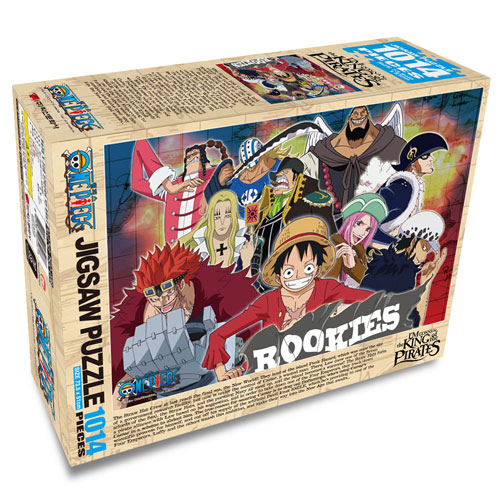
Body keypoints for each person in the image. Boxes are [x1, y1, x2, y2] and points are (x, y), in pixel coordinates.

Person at [201, 217, 373, 381]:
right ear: (278, 275)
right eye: (289, 271)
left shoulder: (326, 288)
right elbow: (218, 336)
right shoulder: (268, 302)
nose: (298, 276)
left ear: (318, 269)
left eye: (308, 268)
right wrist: (223, 372)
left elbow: (371, 300)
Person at [181, 190, 256, 270]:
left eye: (227, 216)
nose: (222, 222)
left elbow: (254, 277)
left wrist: (246, 263)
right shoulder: (199, 246)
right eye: (217, 217)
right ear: (211, 218)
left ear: (233, 217)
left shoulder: (246, 243)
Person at [327, 193, 388, 287]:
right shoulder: (333, 245)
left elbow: (369, 284)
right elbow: (325, 284)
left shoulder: (359, 252)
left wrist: (353, 266)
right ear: (349, 221)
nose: (362, 233)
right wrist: (335, 261)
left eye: (368, 229)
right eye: (359, 224)